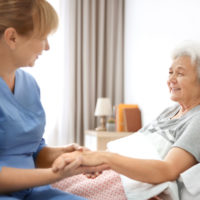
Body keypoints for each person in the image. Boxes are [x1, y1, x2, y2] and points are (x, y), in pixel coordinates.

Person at [52, 41, 200, 197]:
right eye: (170, 72)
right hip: (119, 173)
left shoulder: (197, 120)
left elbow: (168, 170)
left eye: (180, 73)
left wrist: (104, 158)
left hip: (132, 184)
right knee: (52, 181)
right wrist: (94, 161)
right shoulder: (169, 112)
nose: (171, 79)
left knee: (57, 191)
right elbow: (135, 146)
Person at [0, 0, 107, 199]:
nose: (47, 47)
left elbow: (31, 150)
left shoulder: (29, 85)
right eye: (43, 37)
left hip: (32, 192)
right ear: (12, 37)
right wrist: (54, 174)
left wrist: (64, 156)